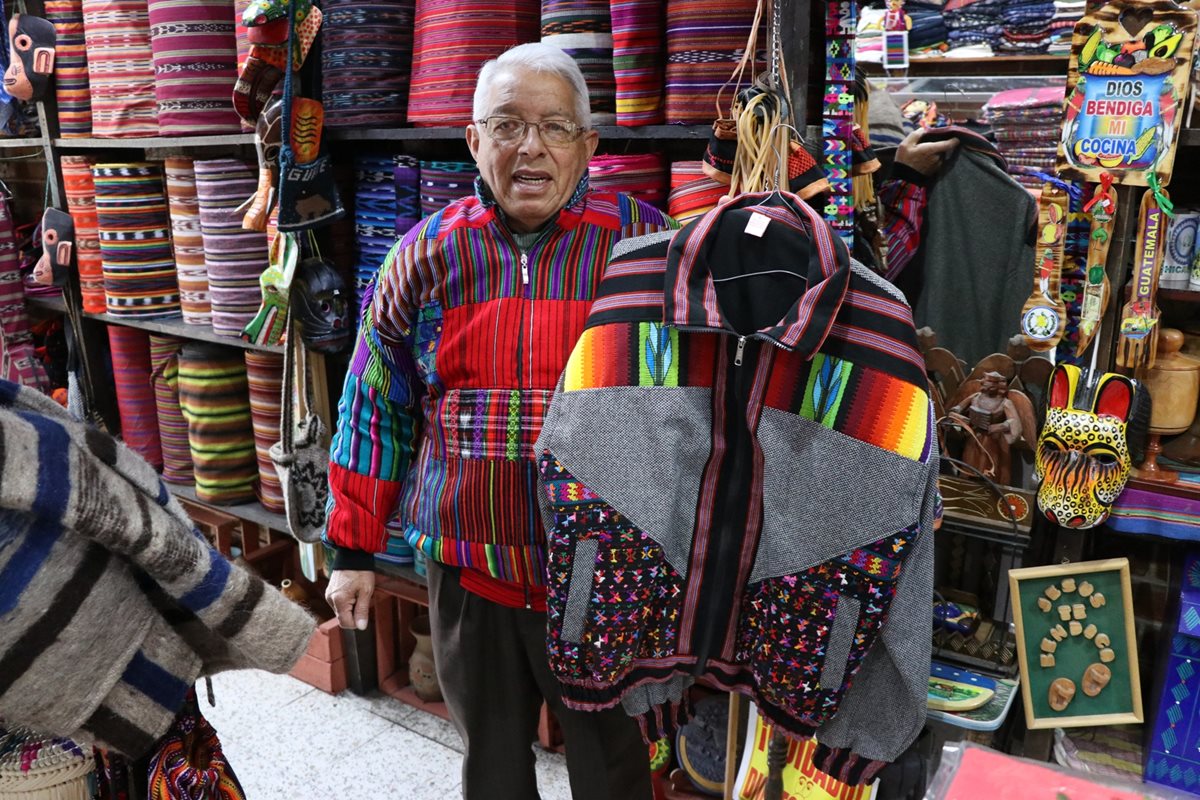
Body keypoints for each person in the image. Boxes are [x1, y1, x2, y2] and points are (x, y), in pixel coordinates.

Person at [323, 42, 675, 800]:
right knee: (492, 766)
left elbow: (698, 410)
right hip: (467, 567)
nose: (531, 148)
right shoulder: (423, 257)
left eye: (554, 127)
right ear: (474, 140)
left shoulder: (648, 250)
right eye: (507, 125)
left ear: (589, 145)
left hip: (604, 574)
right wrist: (351, 546)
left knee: (616, 766)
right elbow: (374, 403)